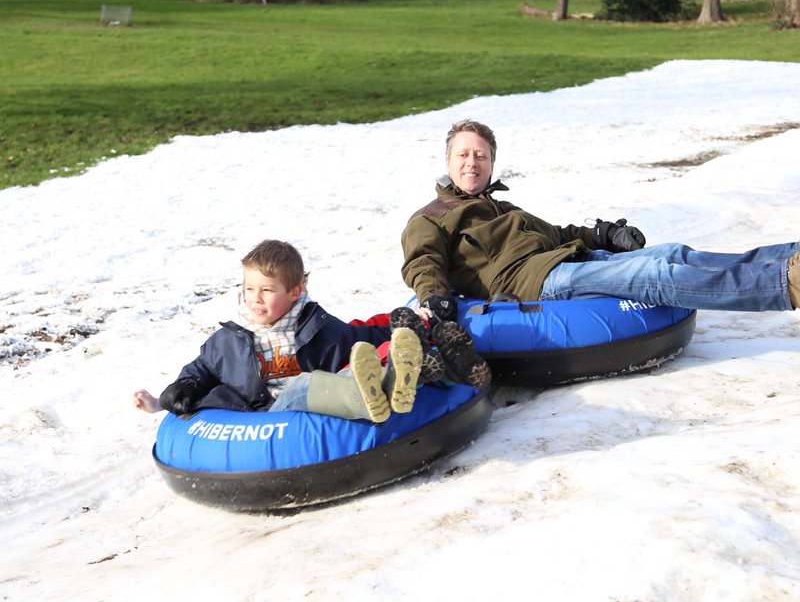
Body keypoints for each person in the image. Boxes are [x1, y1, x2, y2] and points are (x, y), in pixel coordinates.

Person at [401, 118, 800, 317]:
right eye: (464, 155)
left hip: (565, 259)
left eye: (481, 155)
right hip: (536, 283)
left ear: (491, 163)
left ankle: (790, 255)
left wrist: (603, 233)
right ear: (448, 160)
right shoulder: (431, 217)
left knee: (674, 252)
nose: (473, 162)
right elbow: (422, 261)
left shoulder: (505, 210)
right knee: (656, 277)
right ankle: (787, 284)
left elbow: (556, 233)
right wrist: (434, 298)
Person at [134, 239, 423, 424]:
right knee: (303, 385)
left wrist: (406, 324)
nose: (255, 298)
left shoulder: (317, 327)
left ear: (295, 292)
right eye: (249, 289)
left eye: (267, 290)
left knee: (351, 372)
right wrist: (163, 401)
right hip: (271, 416)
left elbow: (360, 339)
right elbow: (198, 373)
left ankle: (394, 383)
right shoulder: (228, 341)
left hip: (319, 406)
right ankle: (370, 396)